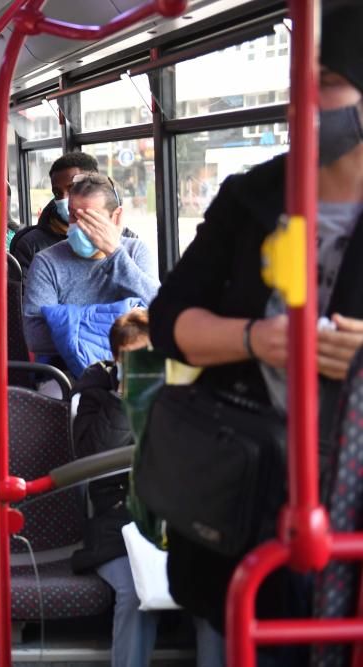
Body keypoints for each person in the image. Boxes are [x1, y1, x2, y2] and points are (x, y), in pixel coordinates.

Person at [147, 6, 363, 657]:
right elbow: (168, 321)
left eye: (325, 81)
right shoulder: (251, 199)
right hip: (248, 500)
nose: (305, 100)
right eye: (298, 79)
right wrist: (254, 339)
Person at [72, 309, 160, 667]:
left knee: (216, 595)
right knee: (137, 590)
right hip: (117, 521)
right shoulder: (96, 396)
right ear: (117, 360)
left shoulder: (180, 391)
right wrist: (126, 398)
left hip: (175, 516)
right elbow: (94, 455)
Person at [22, 173, 159, 376]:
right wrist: (123, 325)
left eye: (90, 218)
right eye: (73, 216)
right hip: (66, 372)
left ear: (116, 217)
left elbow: (159, 314)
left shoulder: (135, 252)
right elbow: (35, 336)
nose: (80, 226)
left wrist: (115, 255)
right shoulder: (47, 262)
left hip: (131, 368)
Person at [10, 152, 98, 271]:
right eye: (57, 193)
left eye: (72, 188)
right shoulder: (32, 244)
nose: (64, 199)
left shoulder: (121, 238)